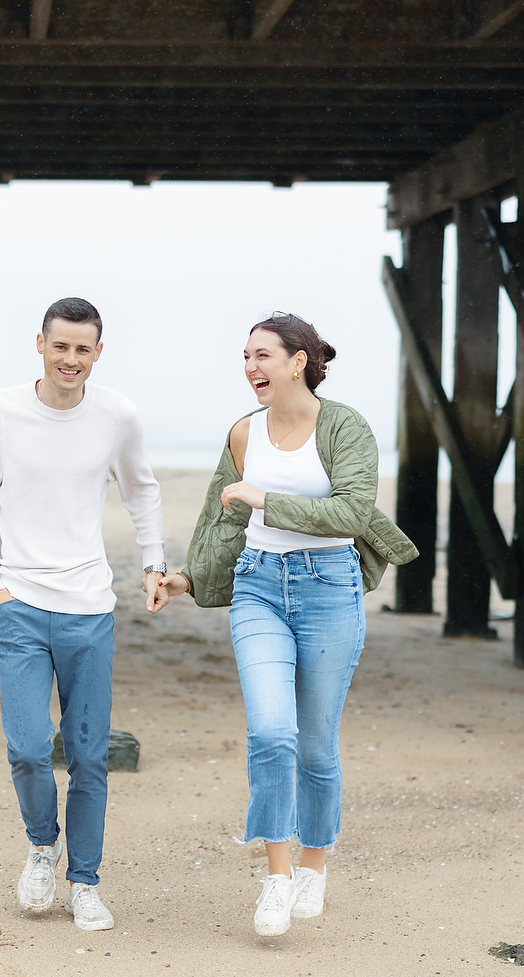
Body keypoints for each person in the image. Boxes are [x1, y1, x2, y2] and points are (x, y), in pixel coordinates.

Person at [155, 312, 416, 937]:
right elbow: (222, 518)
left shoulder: (346, 426)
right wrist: (189, 579)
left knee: (317, 746)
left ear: (299, 360)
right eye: (246, 357)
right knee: (272, 733)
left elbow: (353, 511)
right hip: (258, 587)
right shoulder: (245, 434)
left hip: (330, 589)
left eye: (263, 355)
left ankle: (314, 865)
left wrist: (265, 498)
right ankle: (275, 878)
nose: (251, 367)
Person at [0, 296, 168, 932]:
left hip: (89, 610)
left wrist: (153, 563)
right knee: (27, 747)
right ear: (41, 345)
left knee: (87, 755)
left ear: (98, 352)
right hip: (19, 606)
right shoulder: (1, 412)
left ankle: (84, 882)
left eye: (83, 349)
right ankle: (39, 848)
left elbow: (142, 491)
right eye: (61, 347)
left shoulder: (117, 416)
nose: (70, 359)